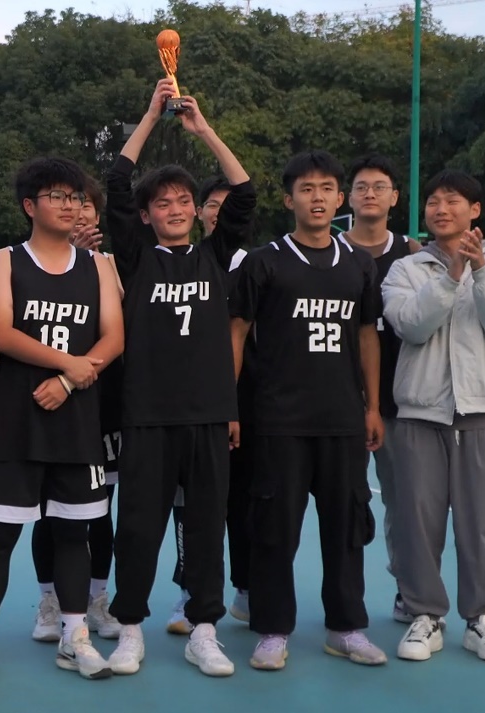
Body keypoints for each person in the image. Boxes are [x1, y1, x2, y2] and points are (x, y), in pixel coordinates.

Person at [0, 157, 124, 686]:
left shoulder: (97, 266)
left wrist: (69, 381)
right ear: (30, 205)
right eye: (57, 196)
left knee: (74, 535)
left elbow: (114, 337)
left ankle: (75, 638)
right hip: (18, 425)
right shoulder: (4, 261)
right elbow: (1, 333)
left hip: (77, 424)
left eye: (75, 197)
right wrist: (68, 362)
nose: (69, 205)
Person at [103, 78, 251, 678]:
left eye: (183, 201)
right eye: (162, 203)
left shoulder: (216, 256)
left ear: (196, 210)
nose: (175, 209)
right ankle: (129, 629)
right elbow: (116, 182)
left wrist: (202, 128)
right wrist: (150, 115)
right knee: (138, 527)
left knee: (207, 526)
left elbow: (244, 191)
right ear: (147, 216)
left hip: (209, 415)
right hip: (147, 415)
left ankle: (204, 627)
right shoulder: (136, 258)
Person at [230, 149, 386, 671]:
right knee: (275, 530)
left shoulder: (359, 264)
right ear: (288, 199)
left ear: (340, 199)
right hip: (279, 420)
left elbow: (366, 336)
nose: (316, 198)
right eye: (306, 189)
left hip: (342, 419)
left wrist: (372, 406)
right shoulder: (265, 261)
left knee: (346, 527)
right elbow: (237, 333)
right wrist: (230, 405)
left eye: (326, 189)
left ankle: (346, 627)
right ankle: (273, 629)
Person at [382, 169, 485, 663]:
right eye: (433, 201)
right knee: (417, 522)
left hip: (481, 412)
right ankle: (425, 614)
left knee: (481, 526)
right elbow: (411, 326)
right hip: (419, 414)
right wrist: (450, 276)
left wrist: (480, 272)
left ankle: (479, 619)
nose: (441, 209)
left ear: (475, 211)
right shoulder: (406, 270)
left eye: (452, 201)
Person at [30, 178, 124, 641]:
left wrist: (95, 262)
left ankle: (97, 599)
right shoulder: (29, 263)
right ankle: (50, 601)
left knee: (99, 510)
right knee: (49, 510)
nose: (79, 212)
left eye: (87, 205)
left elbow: (122, 322)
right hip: (47, 402)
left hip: (102, 406)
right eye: (69, 202)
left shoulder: (111, 265)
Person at [165, 175, 252, 636]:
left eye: (227, 205)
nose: (219, 211)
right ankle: (189, 591)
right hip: (196, 405)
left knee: (242, 502)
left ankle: (246, 588)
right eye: (212, 204)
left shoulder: (254, 263)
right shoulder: (181, 262)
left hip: (245, 403)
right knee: (191, 506)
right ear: (200, 212)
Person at [338, 154, 420, 622]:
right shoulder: (330, 250)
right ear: (347, 198)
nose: (370, 193)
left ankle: (409, 589)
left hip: (398, 401)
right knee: (343, 505)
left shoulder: (412, 252)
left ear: (394, 197)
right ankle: (343, 602)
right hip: (339, 402)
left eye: (379, 187)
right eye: (361, 187)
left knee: (404, 504)